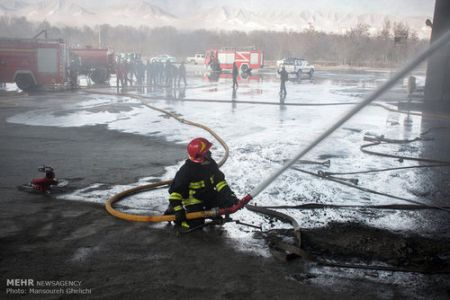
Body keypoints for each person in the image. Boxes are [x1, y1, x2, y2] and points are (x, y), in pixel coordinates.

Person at [165, 137, 239, 231]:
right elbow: (175, 193)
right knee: (196, 226)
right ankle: (175, 214)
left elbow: (220, 182)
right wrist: (178, 210)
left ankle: (212, 213)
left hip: (208, 197)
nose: (210, 153)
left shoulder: (210, 164)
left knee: (227, 202)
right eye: (207, 152)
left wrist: (230, 196)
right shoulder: (186, 171)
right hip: (193, 201)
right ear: (199, 156)